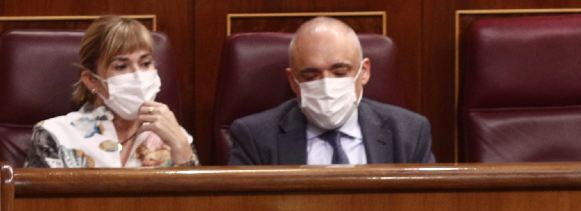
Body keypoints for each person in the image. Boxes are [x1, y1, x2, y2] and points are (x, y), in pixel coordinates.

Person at [228, 16, 434, 165]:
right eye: (311, 76)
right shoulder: (255, 138)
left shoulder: (409, 133)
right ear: (293, 81)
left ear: (364, 71)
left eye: (340, 72)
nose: (326, 85)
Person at [25, 16, 197, 168]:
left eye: (145, 63)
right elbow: (38, 204)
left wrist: (181, 148)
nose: (138, 76)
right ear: (92, 80)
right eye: (121, 66)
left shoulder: (174, 134)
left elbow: (201, 203)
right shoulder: (55, 136)